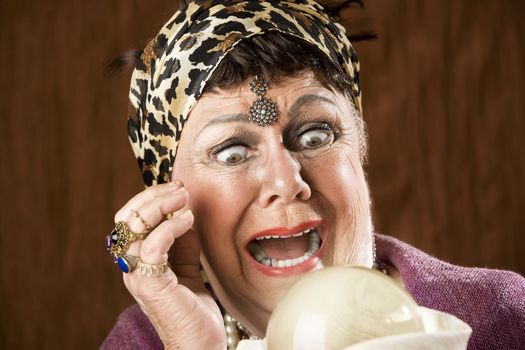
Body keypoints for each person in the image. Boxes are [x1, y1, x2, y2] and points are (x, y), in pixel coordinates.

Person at [102, 0, 525, 349]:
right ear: (171, 201)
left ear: (360, 146)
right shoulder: (141, 342)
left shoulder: (500, 319)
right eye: (231, 153)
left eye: (315, 135)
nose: (287, 182)